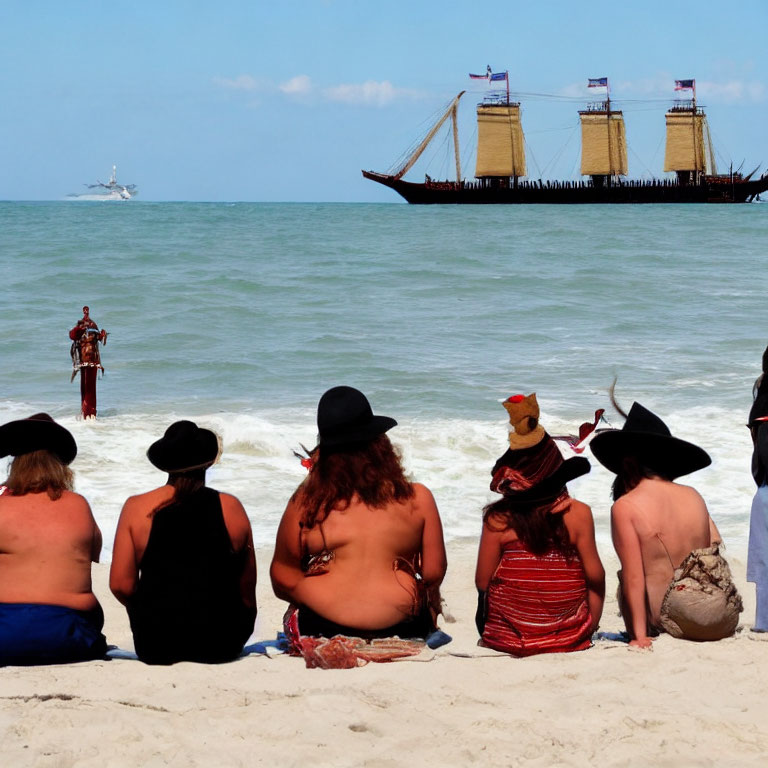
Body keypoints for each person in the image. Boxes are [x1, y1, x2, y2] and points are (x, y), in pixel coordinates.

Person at [270, 386, 447, 640]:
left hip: (322, 624)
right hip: (403, 625)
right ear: (379, 445)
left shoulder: (307, 501)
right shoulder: (418, 497)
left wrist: (313, 589)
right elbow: (433, 573)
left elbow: (282, 578)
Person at [590, 401, 742, 647]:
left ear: (628, 464)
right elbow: (715, 544)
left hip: (671, 618)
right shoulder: (694, 495)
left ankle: (640, 630)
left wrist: (639, 638)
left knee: (625, 578)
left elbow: (634, 577)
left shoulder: (626, 506)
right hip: (718, 616)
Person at [110, 421, 256, 664]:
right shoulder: (231, 507)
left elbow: (120, 585)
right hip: (222, 642)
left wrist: (149, 609)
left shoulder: (136, 508)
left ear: (166, 464)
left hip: (156, 642)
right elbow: (247, 586)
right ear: (208, 462)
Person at [475, 394, 605, 657]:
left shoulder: (498, 519)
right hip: (570, 636)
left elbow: (482, 581)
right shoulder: (578, 514)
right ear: (555, 468)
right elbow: (596, 577)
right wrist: (589, 628)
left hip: (508, 639)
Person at [0, 413, 107, 665]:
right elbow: (93, 555)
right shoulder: (78, 504)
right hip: (71, 636)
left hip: (5, 633)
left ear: (16, 464)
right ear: (60, 465)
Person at [747, 345, 768, 631]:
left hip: (766, 490)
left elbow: (759, 451)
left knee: (765, 564)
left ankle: (765, 622)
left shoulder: (761, 404)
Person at [69, 305, 108, 419]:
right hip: (86, 361)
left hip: (91, 362)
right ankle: (87, 414)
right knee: (87, 388)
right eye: (85, 311)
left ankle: (89, 414)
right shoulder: (82, 326)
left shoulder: (90, 326)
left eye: (87, 311)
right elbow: (73, 336)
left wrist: (103, 335)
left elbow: (101, 340)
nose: (86, 313)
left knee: (88, 388)